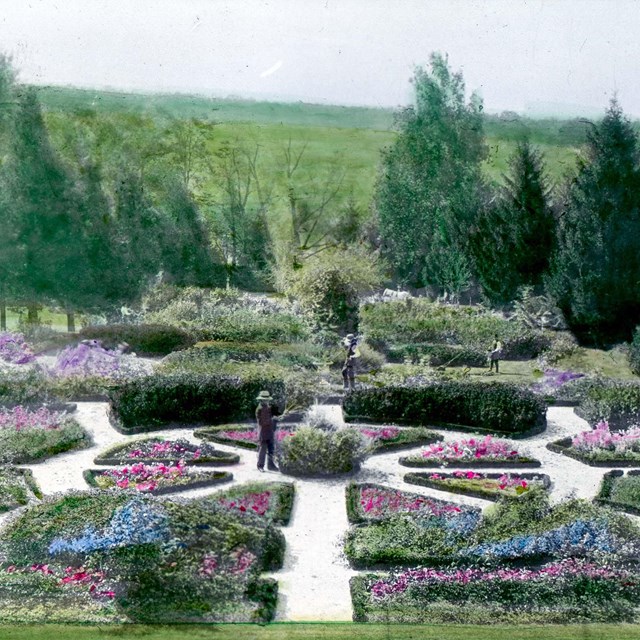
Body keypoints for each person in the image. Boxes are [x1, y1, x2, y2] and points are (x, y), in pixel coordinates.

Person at [255, 390, 280, 472]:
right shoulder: (259, 409)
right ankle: (260, 466)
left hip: (269, 431)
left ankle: (271, 465)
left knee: (271, 449)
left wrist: (276, 418)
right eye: (264, 399)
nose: (266, 401)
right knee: (262, 449)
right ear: (261, 400)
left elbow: (271, 417)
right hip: (263, 432)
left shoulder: (268, 408)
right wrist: (273, 420)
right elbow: (262, 422)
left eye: (267, 399)